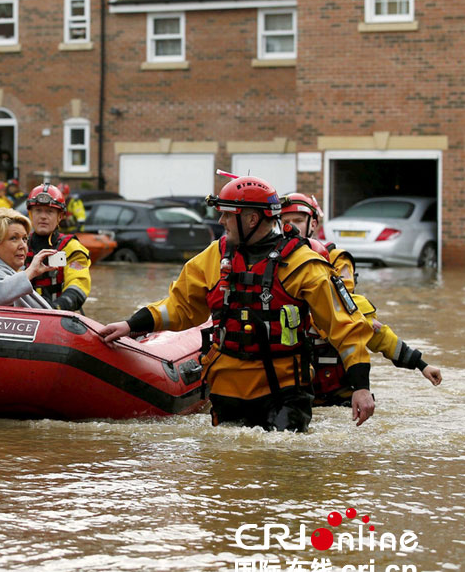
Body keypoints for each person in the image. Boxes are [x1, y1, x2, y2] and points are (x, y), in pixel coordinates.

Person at [98, 175, 378, 432]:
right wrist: (130, 324)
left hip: (283, 392)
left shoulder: (303, 265)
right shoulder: (213, 256)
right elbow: (180, 307)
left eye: (227, 215)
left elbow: (345, 327)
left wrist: (361, 387)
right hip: (227, 388)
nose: (220, 221)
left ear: (252, 219)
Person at [281, 192, 442, 405]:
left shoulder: (335, 258)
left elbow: (352, 315)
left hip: (339, 389)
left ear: (313, 223)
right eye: (286, 222)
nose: (292, 227)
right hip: (296, 387)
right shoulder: (273, 262)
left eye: (298, 221)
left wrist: (421, 364)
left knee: (360, 317)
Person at [24, 183, 92, 312]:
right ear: (30, 214)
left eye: (49, 211)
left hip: (58, 315)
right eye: (38, 211)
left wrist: (56, 308)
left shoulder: (71, 248)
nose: (43, 216)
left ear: (60, 217)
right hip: (24, 316)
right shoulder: (20, 246)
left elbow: (78, 283)